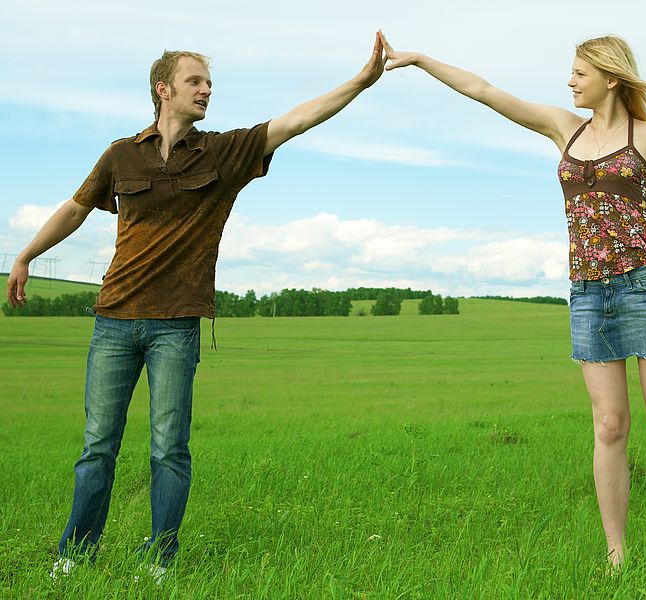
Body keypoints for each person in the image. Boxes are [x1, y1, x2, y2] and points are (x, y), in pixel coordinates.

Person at [6, 36, 385, 579]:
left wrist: (359, 82)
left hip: (175, 328)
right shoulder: (121, 154)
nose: (206, 91)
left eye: (209, 84)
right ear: (164, 90)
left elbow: (297, 120)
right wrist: (25, 256)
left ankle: (159, 559)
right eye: (195, 82)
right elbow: (75, 209)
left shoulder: (222, 153)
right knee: (97, 447)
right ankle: (74, 555)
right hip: (114, 319)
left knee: (168, 450)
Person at [377, 31, 646, 569]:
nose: (570, 81)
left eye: (579, 73)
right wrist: (418, 59)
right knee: (608, 424)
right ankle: (616, 553)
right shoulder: (564, 128)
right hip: (587, 291)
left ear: (610, 77)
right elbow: (485, 91)